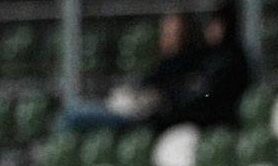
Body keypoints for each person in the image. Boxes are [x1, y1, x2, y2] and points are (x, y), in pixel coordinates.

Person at [59, 12, 199, 133]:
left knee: (73, 115)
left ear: (184, 34)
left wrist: (151, 97)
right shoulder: (164, 60)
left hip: (145, 118)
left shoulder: (184, 61)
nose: (168, 36)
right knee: (75, 110)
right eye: (166, 31)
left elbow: (168, 96)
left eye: (174, 32)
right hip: (133, 107)